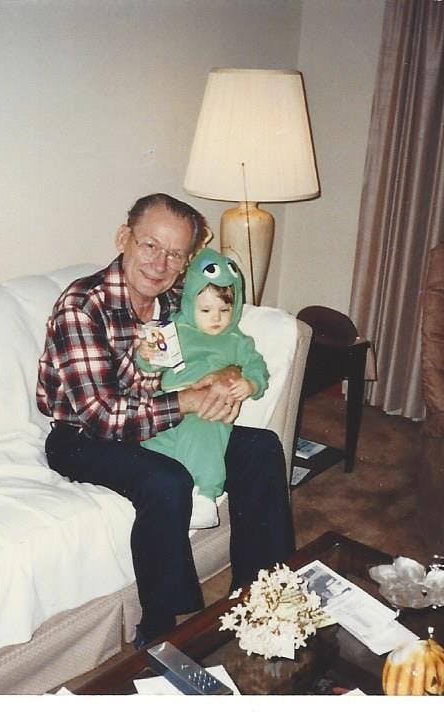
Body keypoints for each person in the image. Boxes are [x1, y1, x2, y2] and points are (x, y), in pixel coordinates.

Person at [36, 193, 294, 647]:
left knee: (261, 449)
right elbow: (102, 415)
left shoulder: (176, 296)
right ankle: (159, 626)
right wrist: (192, 401)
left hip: (158, 421)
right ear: (124, 239)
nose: (160, 263)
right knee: (165, 480)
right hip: (83, 436)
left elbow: (225, 333)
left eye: (175, 253)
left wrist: (230, 375)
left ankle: (260, 595)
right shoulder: (83, 305)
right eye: (150, 245)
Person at [136, 247, 269, 530]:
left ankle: (205, 495)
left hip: (211, 407)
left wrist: (250, 383)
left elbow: (258, 368)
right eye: (206, 310)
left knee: (205, 431)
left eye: (224, 310)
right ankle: (174, 488)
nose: (216, 318)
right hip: (172, 402)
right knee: (156, 445)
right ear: (189, 303)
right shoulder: (176, 330)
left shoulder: (237, 341)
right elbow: (151, 367)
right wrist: (146, 356)